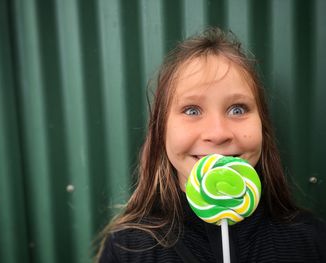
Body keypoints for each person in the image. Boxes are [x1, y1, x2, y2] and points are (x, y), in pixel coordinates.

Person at [96, 27, 326, 262]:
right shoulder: (126, 248)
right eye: (192, 110)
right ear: (161, 132)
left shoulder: (311, 240)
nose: (218, 134)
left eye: (237, 109)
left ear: (263, 128)